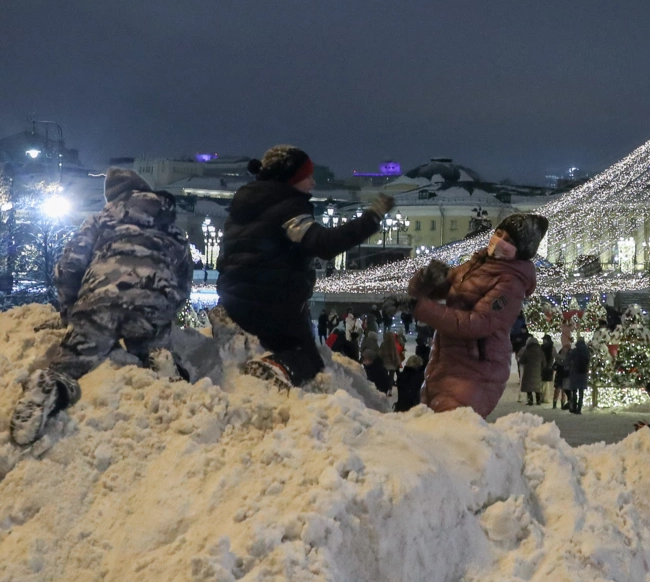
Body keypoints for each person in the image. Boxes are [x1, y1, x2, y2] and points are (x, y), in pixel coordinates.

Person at [9, 168, 193, 447]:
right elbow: (183, 283)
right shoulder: (172, 227)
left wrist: (70, 311)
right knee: (153, 345)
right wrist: (164, 310)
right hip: (153, 308)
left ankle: (52, 387)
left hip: (99, 305)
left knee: (70, 363)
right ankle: (161, 360)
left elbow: (69, 266)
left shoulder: (101, 219)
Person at [217, 146, 390, 388]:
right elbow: (323, 244)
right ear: (290, 179)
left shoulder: (243, 205)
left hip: (234, 297)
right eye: (306, 176)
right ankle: (274, 369)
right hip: (273, 300)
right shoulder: (288, 208)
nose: (312, 182)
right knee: (307, 360)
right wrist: (370, 219)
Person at [409, 213, 548, 418]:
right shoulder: (475, 265)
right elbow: (434, 291)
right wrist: (427, 279)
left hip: (477, 372)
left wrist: (419, 307)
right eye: (499, 233)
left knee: (450, 436)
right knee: (434, 436)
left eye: (509, 241)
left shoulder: (511, 283)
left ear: (522, 250)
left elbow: (476, 323)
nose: (500, 241)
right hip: (445, 365)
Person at [566, 337, 591, 414]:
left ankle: (574, 407)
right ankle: (579, 408)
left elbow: (568, 359)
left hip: (575, 372)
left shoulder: (575, 351)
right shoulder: (587, 351)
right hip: (583, 373)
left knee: (574, 391)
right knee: (581, 392)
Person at [517, 335, 545, 406]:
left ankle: (530, 400)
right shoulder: (540, 351)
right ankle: (538, 400)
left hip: (528, 371)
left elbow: (522, 360)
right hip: (537, 371)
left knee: (528, 386)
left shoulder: (527, 351)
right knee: (537, 386)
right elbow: (544, 362)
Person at [553, 334, 570, 409]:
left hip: (564, 375)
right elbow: (555, 365)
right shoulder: (561, 354)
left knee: (563, 391)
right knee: (557, 390)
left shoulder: (568, 357)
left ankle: (562, 403)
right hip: (560, 374)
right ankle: (555, 403)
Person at [540, 334, 556, 406]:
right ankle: (543, 397)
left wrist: (548, 365)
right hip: (543, 367)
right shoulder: (543, 347)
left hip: (547, 367)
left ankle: (545, 397)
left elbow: (552, 358)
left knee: (545, 383)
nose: (543, 341)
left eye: (545, 339)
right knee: (543, 383)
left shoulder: (550, 348)